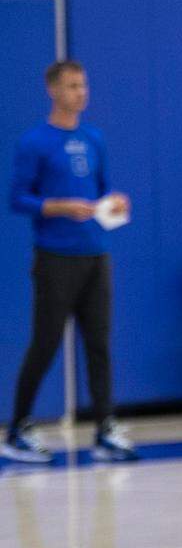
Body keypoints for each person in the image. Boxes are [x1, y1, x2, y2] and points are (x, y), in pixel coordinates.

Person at [4, 60, 137, 463]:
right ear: (53, 90)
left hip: (96, 255)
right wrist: (60, 206)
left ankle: (105, 428)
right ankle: (18, 429)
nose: (81, 92)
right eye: (72, 86)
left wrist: (115, 202)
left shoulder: (93, 138)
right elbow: (18, 198)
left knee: (99, 344)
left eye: (83, 85)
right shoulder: (35, 142)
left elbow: (102, 191)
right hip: (55, 259)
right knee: (45, 343)